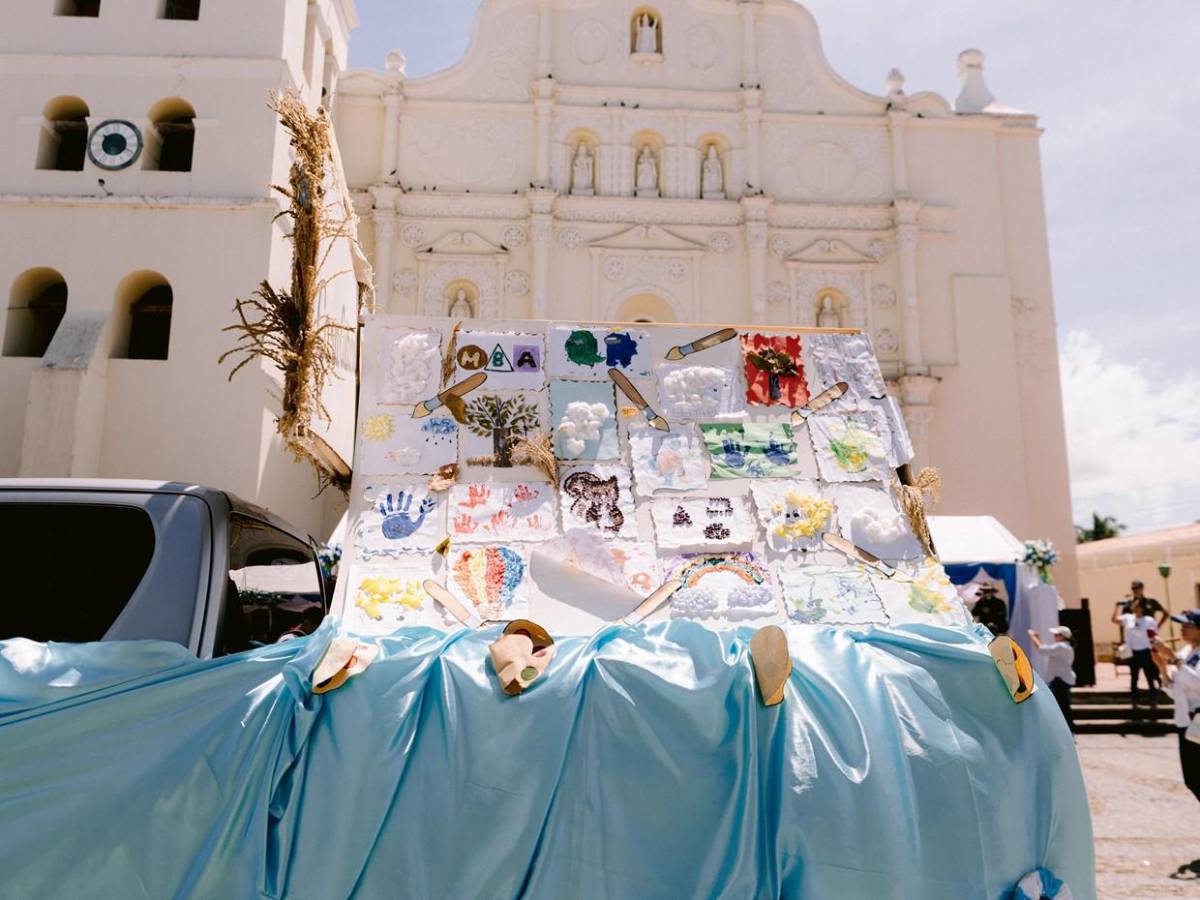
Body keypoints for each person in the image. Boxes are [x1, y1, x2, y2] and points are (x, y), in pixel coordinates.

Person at [1152, 610, 1200, 804]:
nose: (1182, 630)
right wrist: (1162, 667)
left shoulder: (1183, 655)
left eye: (1187, 626)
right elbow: (1176, 690)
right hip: (1185, 721)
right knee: (1192, 778)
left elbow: (1197, 683)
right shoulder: (1185, 652)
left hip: (1198, 719)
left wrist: (1173, 659)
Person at [1113, 598, 1161, 712]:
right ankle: (1135, 701)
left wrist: (1154, 649)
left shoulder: (1149, 620)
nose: (1133, 606)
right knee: (1134, 677)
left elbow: (1154, 634)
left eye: (1136, 605)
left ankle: (1153, 700)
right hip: (1132, 652)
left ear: (1141, 608)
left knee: (1149, 676)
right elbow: (1114, 620)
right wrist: (1117, 607)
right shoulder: (1128, 617)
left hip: (1145, 651)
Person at [1029, 626, 1075, 731]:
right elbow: (1045, 648)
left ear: (1063, 637)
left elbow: (1042, 649)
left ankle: (1067, 729)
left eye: (1056, 635)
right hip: (1059, 680)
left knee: (1062, 706)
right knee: (1062, 706)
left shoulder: (1061, 647)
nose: (1054, 637)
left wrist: (1033, 637)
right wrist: (1037, 638)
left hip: (1060, 680)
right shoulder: (1063, 647)